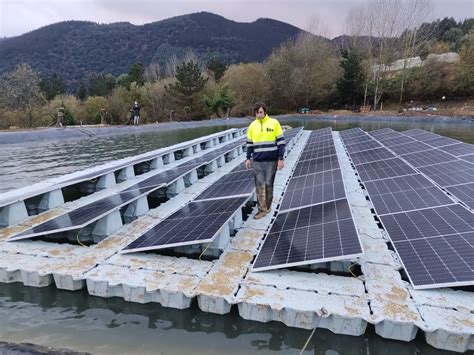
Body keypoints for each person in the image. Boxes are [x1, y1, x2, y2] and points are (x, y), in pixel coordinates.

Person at [245, 102, 285, 219]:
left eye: (260, 112)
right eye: (256, 112)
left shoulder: (274, 123)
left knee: (269, 184)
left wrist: (281, 159)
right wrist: (248, 158)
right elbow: (249, 144)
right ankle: (261, 210)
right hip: (257, 160)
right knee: (259, 185)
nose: (258, 114)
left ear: (265, 112)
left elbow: (281, 142)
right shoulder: (252, 126)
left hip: (271, 160)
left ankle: (267, 206)